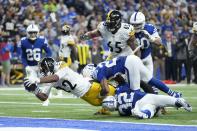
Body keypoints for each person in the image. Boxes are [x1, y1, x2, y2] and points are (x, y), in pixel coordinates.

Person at [23, 57, 115, 114]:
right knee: (111, 104)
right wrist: (34, 90)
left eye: (43, 69)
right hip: (86, 97)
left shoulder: (61, 66)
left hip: (92, 87)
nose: (42, 72)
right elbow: (44, 97)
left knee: (117, 93)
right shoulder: (48, 79)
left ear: (48, 66)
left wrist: (37, 80)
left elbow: (56, 77)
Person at [91, 55, 182, 98]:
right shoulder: (102, 66)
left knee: (135, 93)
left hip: (128, 63)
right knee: (151, 79)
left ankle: (156, 101)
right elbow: (120, 78)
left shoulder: (98, 73)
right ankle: (173, 94)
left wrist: (99, 96)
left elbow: (106, 90)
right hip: (133, 58)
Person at [102, 84, 192, 119]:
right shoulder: (120, 91)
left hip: (137, 106)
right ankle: (177, 101)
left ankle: (144, 114)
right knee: (161, 100)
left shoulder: (121, 112)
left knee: (150, 109)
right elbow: (130, 85)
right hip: (143, 97)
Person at [18, 23, 52, 105]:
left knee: (47, 81)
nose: (33, 34)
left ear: (37, 32)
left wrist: (44, 61)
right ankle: (43, 97)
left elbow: (49, 52)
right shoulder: (23, 41)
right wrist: (26, 66)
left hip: (40, 66)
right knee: (29, 85)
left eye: (34, 32)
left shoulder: (42, 40)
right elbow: (23, 56)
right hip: (30, 66)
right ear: (27, 33)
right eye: (31, 32)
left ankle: (46, 95)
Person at [130, 12, 163, 93]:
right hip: (134, 59)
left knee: (149, 83)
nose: (135, 26)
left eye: (138, 24)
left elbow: (160, 42)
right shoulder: (128, 29)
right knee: (133, 84)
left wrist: (151, 38)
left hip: (147, 59)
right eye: (133, 24)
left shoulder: (150, 28)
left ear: (143, 22)